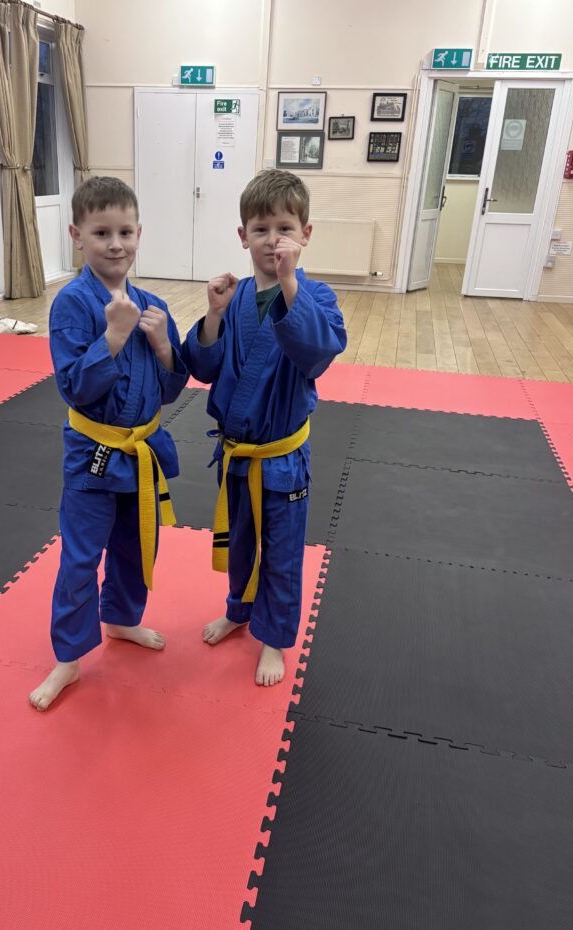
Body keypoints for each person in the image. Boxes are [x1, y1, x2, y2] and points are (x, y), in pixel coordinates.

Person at [181, 169, 347, 686]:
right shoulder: (234, 297)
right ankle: (238, 609)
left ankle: (273, 639)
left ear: (305, 234)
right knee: (238, 539)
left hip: (281, 456)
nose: (273, 239)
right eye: (260, 228)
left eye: (284, 228)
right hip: (237, 452)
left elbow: (318, 354)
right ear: (242, 236)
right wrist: (212, 313)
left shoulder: (316, 297)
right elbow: (202, 368)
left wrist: (292, 284)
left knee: (281, 549)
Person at [30, 177, 188, 711]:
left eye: (124, 231)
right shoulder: (72, 305)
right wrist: (113, 337)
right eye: (101, 232)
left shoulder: (153, 304)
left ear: (139, 233)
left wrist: (165, 345)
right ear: (77, 235)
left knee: (133, 547)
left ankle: (120, 620)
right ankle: (69, 660)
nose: (115, 243)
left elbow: (169, 390)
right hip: (92, 455)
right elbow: (74, 386)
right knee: (80, 557)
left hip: (140, 453)